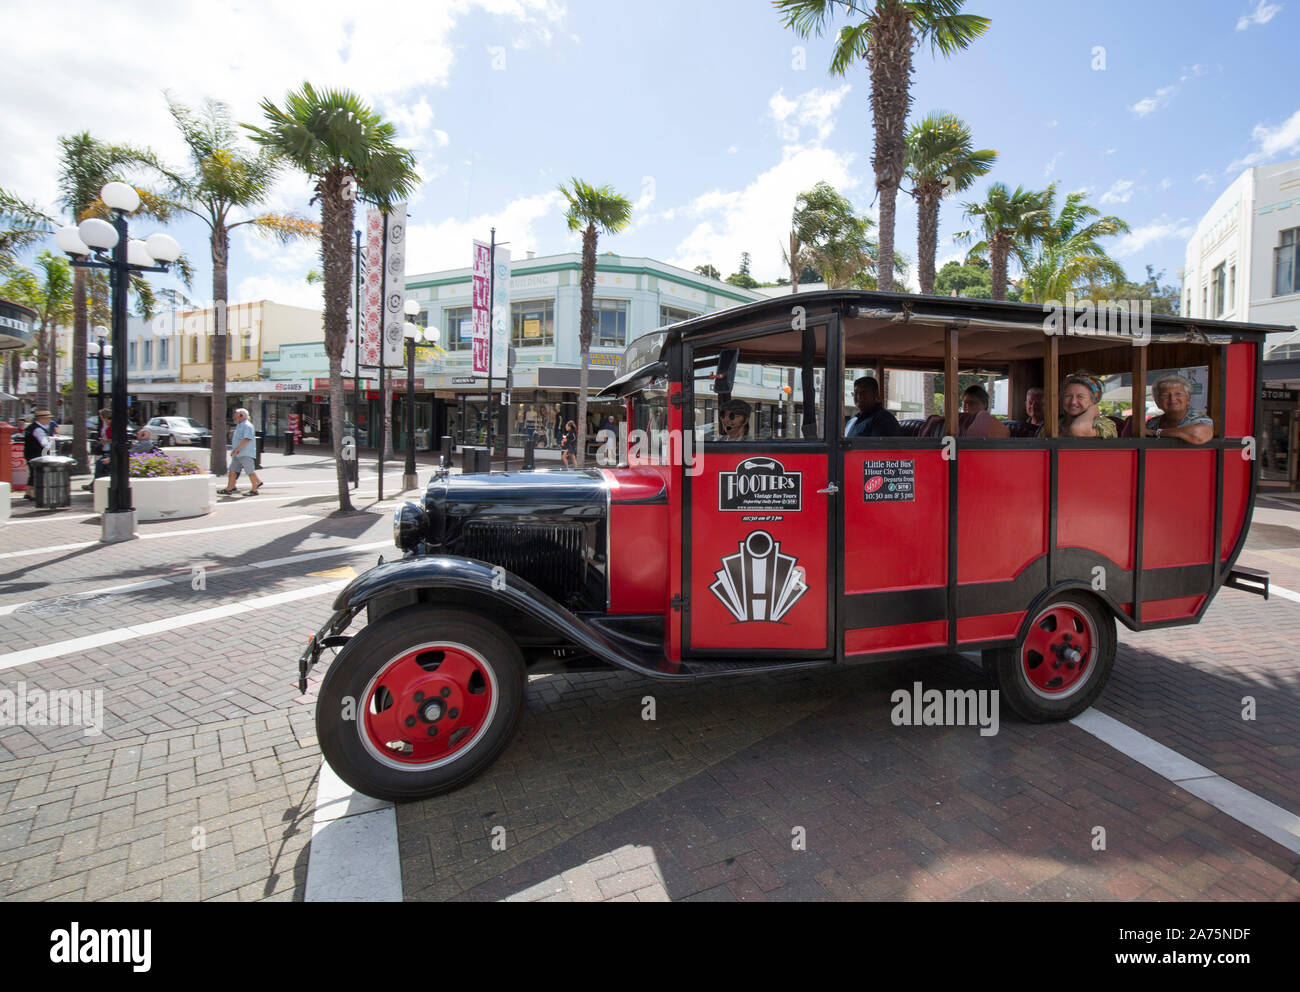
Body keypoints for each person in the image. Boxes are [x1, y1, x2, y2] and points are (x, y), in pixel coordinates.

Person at [1146, 373, 1213, 444]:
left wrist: (1157, 432)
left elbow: (1198, 435)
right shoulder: (1151, 423)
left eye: (1178, 394)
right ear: (1157, 401)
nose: (1172, 399)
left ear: (1188, 398)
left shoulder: (1199, 419)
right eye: (1165, 395)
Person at [1052, 372, 1117, 438]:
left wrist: (1093, 409)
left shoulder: (1105, 425)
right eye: (1068, 396)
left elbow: (1077, 429)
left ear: (1093, 400)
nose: (1073, 402)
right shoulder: (1053, 425)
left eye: (1080, 397)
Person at [219, 407, 261, 495]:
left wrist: (236, 449)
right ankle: (230, 487)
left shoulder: (247, 425)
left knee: (250, 471)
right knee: (232, 470)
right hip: (238, 453)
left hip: (245, 453)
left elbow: (247, 439)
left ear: (242, 415)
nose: (235, 416)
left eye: (236, 415)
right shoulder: (240, 425)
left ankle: (254, 489)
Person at [21, 409, 56, 501]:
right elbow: (44, 443)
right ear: (41, 419)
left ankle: (28, 493)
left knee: (32, 472)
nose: (49, 421)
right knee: (36, 473)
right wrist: (52, 444)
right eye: (47, 419)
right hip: (36, 454)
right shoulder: (38, 429)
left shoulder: (31, 427)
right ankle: (33, 494)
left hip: (29, 453)